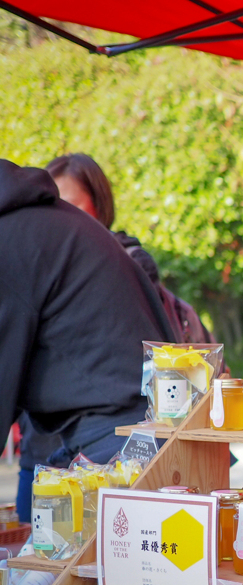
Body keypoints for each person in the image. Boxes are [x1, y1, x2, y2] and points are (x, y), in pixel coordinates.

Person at [0, 159, 175, 518]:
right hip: (133, 432)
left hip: (121, 442)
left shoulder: (11, 239)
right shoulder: (44, 223)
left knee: (107, 571)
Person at [45, 153, 212, 343]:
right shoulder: (43, 272)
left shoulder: (130, 264)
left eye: (71, 207)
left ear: (99, 204)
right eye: (51, 209)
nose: (60, 218)